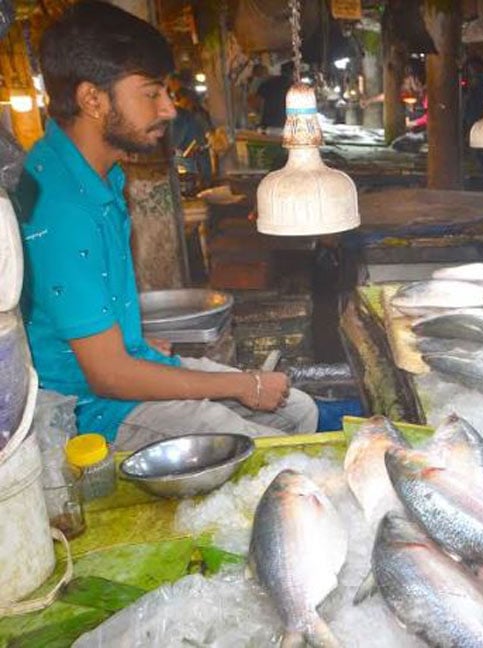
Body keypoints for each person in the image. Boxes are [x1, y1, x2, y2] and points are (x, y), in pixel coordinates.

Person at [17, 1, 318, 452]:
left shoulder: (94, 174)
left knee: (298, 410)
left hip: (122, 367)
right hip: (95, 410)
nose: (169, 109)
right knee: (271, 450)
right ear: (92, 99)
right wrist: (241, 385)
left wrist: (130, 336)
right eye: (151, 93)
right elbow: (109, 375)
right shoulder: (62, 209)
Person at [255, 60, 295, 129]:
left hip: (268, 124)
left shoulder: (268, 83)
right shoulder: (295, 87)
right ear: (293, 73)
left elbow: (257, 103)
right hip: (286, 125)